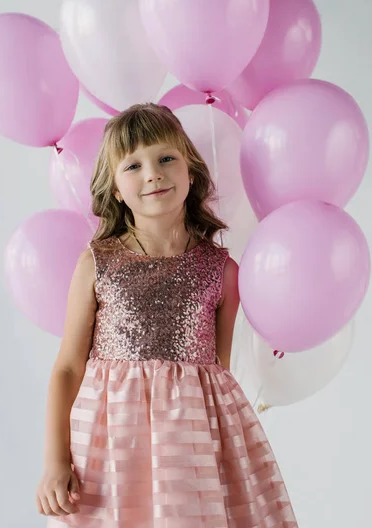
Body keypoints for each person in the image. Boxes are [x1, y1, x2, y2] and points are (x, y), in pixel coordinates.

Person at [36, 103, 298, 527]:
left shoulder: (222, 271)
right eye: (133, 165)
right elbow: (67, 366)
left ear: (190, 172)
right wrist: (55, 460)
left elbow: (218, 371)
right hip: (110, 446)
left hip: (189, 443)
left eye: (166, 158)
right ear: (117, 189)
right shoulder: (98, 263)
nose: (152, 173)